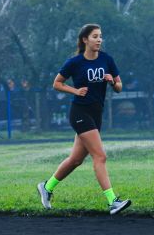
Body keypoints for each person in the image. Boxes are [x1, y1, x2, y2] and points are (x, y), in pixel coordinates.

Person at [37, 24, 131, 215]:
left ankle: (46, 187)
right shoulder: (75, 62)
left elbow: (119, 86)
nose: (99, 40)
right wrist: (75, 91)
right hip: (79, 113)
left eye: (100, 36)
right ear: (84, 40)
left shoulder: (107, 60)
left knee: (76, 160)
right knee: (100, 156)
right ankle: (113, 201)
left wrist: (112, 81)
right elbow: (57, 83)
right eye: (95, 36)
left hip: (96, 113)